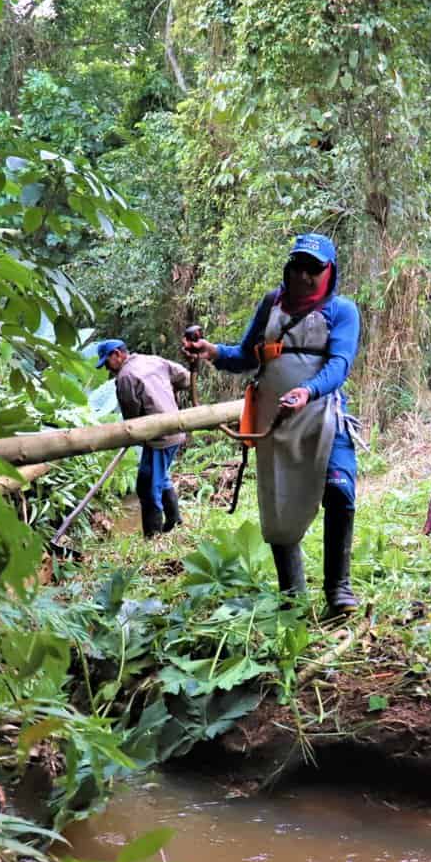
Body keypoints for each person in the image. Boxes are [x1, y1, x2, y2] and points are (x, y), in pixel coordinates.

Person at [183, 233, 362, 616]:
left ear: (330, 272)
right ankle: (292, 597)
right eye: (298, 266)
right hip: (274, 421)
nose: (305, 276)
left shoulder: (342, 311)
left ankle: (339, 589)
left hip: (322, 417)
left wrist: (306, 391)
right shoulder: (271, 305)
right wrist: (212, 352)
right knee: (278, 507)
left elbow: (340, 365)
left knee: (340, 491)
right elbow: (246, 357)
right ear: (288, 268)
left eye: (314, 269)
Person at [95, 340, 192, 538]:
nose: (107, 368)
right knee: (158, 477)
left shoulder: (126, 376)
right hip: (176, 429)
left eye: (107, 362)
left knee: (148, 487)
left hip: (159, 438)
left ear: (117, 354)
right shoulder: (153, 360)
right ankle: (174, 520)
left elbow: (131, 417)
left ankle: (153, 535)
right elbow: (185, 377)